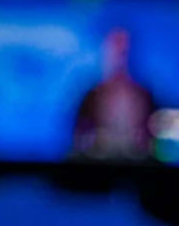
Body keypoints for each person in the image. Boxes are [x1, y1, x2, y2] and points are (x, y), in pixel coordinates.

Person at [68, 27, 159, 161]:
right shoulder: (90, 96)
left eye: (123, 51)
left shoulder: (144, 95)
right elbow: (78, 136)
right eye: (115, 49)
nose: (119, 57)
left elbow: (154, 135)